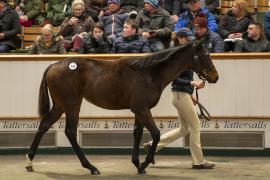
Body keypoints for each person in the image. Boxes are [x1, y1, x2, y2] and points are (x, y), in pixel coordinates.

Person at [143, 27, 215, 169]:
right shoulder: (176, 56)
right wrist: (192, 83)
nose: (190, 40)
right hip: (180, 95)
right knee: (195, 126)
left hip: (181, 95)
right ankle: (198, 161)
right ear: (181, 39)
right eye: (187, 38)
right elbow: (174, 79)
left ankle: (152, 145)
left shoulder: (184, 54)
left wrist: (190, 94)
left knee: (184, 129)